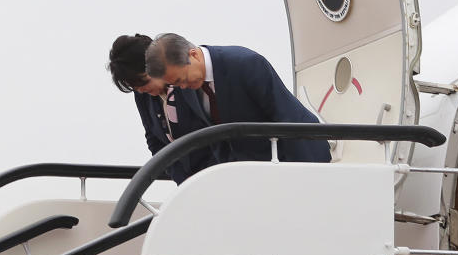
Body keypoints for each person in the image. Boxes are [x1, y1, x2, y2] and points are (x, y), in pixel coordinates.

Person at [144, 33, 331, 163]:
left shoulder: (244, 64)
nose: (182, 87)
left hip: (293, 157)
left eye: (182, 79)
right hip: (247, 172)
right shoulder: (188, 87)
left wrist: (304, 173)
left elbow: (286, 116)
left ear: (193, 55)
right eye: (175, 84)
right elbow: (215, 138)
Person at [107, 34, 225, 183]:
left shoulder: (190, 83)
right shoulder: (143, 95)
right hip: (189, 183)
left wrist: (206, 175)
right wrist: (181, 178)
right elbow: (155, 141)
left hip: (219, 173)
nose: (141, 90)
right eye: (134, 87)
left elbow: (216, 130)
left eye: (144, 82)